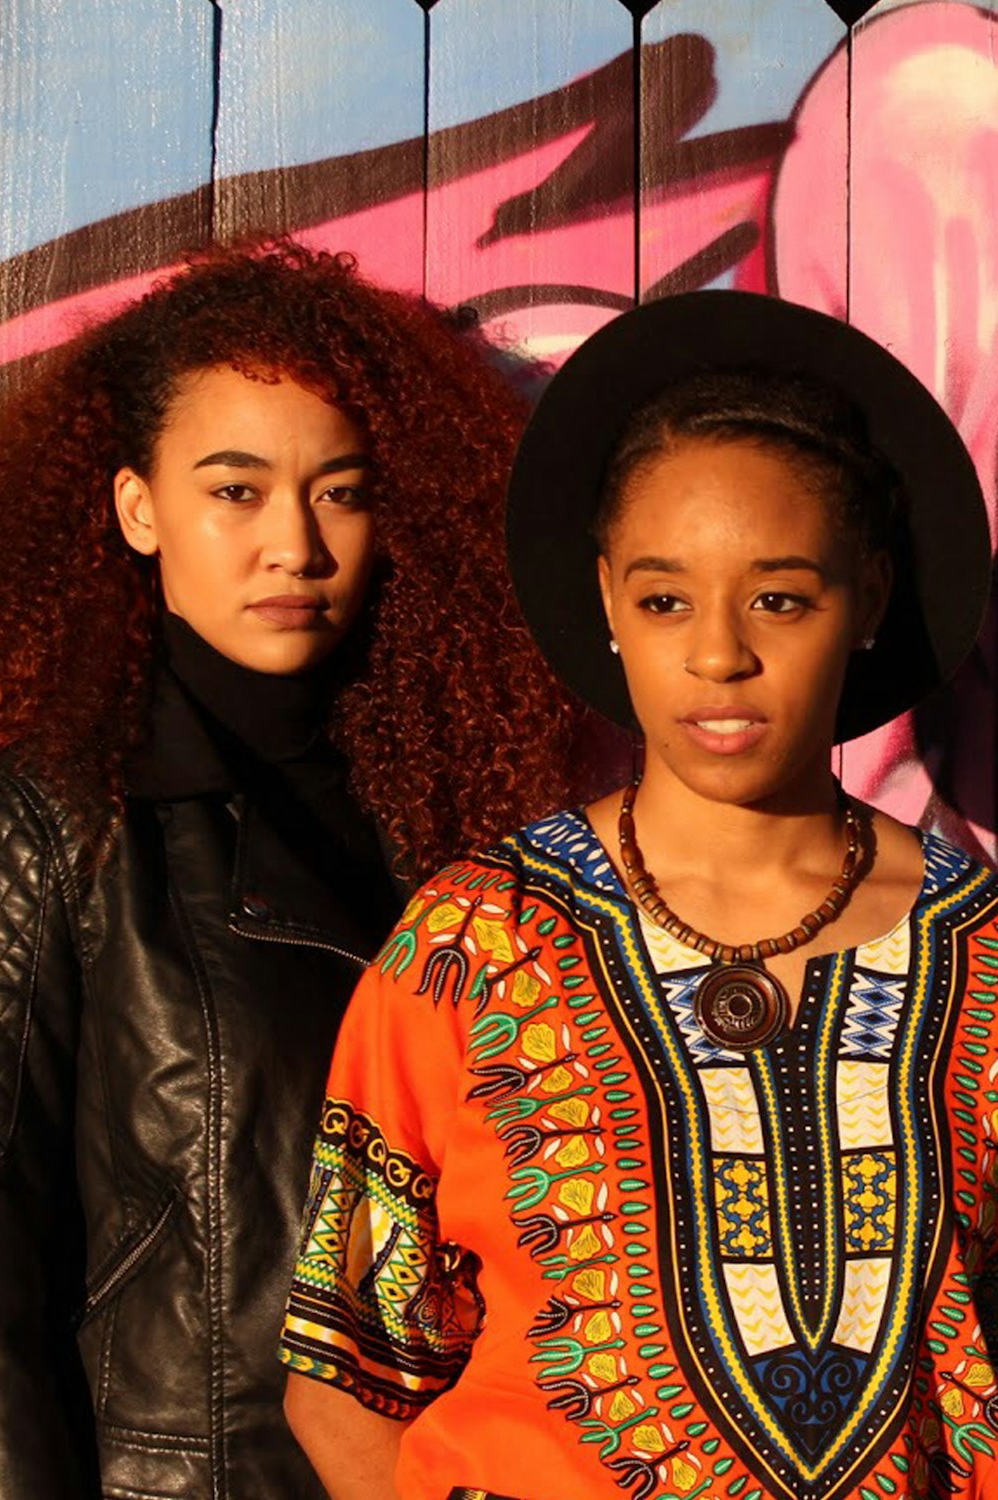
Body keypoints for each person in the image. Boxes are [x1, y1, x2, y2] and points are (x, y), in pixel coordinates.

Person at [280, 290, 998, 1500]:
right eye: (666, 599)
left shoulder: (977, 947)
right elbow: (344, 1371)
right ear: (609, 599)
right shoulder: (473, 944)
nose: (718, 654)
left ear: (867, 598)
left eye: (778, 597)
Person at [0, 240, 577, 1500]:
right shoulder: (58, 821)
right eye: (236, 490)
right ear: (137, 507)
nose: (296, 546)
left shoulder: (472, 818)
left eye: (340, 490)